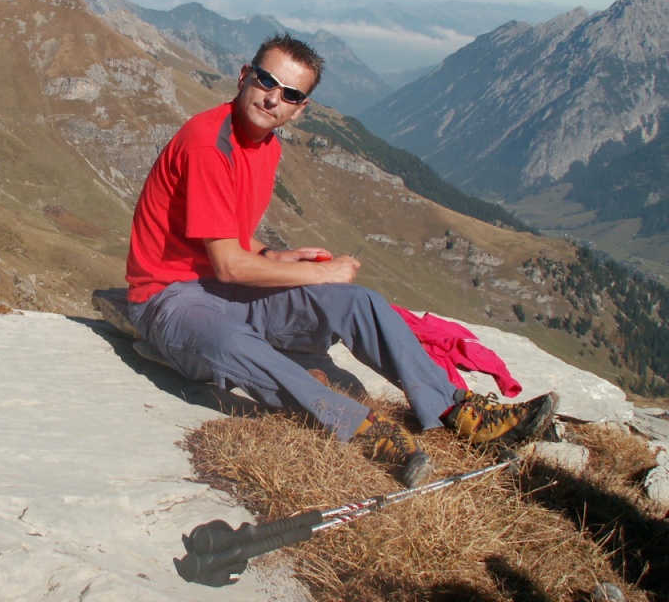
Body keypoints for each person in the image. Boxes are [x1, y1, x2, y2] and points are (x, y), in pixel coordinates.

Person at [125, 32, 557, 488]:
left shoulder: (267, 147)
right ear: (244, 76)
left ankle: (455, 407)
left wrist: (272, 255)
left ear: (300, 108)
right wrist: (318, 272)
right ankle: (363, 430)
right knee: (233, 340)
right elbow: (229, 264)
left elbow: (223, 232)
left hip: (227, 287)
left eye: (290, 94)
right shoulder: (210, 143)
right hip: (168, 296)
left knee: (358, 301)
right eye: (266, 81)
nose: (273, 99)